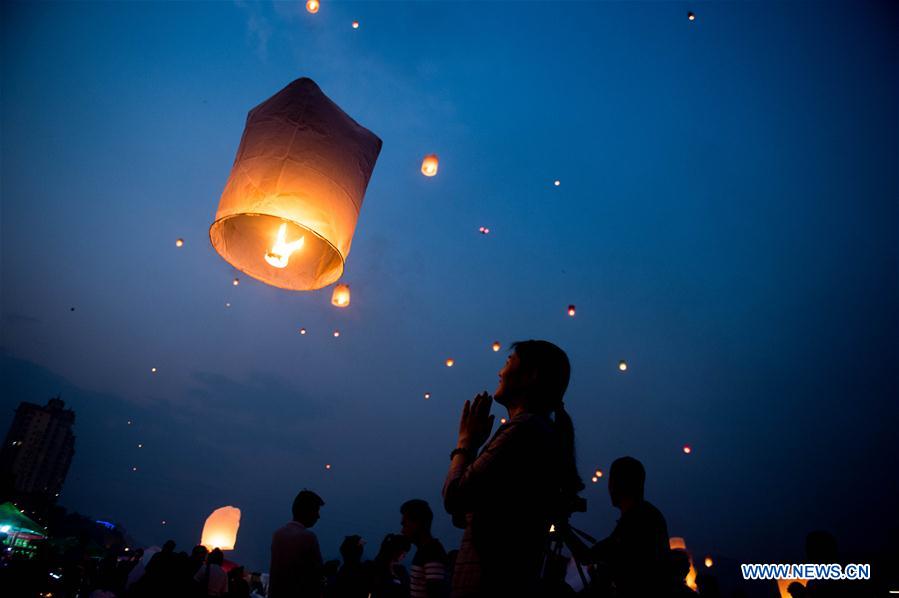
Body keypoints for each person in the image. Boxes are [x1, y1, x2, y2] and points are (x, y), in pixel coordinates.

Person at [443, 340, 584, 598]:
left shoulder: (523, 431)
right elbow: (465, 514)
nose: (500, 372)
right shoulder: (537, 431)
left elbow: (454, 497)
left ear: (531, 376)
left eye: (508, 362)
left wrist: (465, 443)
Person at [588, 456, 670, 597]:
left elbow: (591, 555)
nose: (609, 487)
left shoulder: (638, 518)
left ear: (621, 484)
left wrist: (564, 531)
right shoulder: (645, 514)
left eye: (611, 481)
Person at [269, 489, 325, 598]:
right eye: (316, 511)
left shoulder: (277, 535)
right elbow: (316, 574)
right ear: (308, 511)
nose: (318, 516)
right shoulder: (308, 537)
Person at [401, 499, 449, 598]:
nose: (402, 530)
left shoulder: (432, 552)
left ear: (417, 523)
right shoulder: (424, 551)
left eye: (405, 524)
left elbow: (437, 593)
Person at [368, 533, 411, 598]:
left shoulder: (401, 570)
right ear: (396, 551)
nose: (404, 556)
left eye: (405, 553)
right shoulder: (376, 568)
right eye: (403, 553)